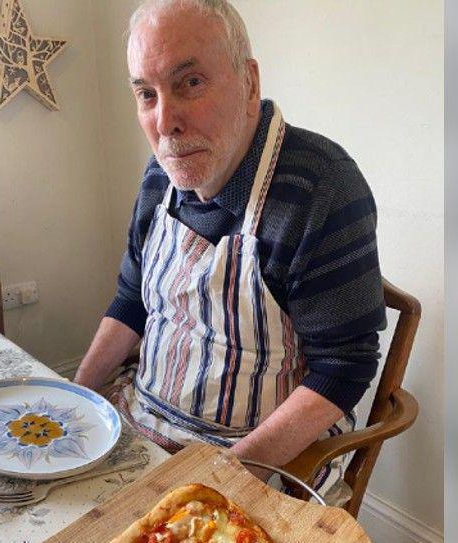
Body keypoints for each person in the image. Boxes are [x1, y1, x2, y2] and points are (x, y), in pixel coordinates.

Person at [73, 0, 385, 500]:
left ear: (250, 83)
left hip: (256, 457)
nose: (165, 122)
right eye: (146, 95)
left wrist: (221, 477)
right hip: (144, 419)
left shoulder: (320, 187)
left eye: (190, 83)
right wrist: (78, 396)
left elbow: (344, 367)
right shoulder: (160, 177)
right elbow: (131, 300)